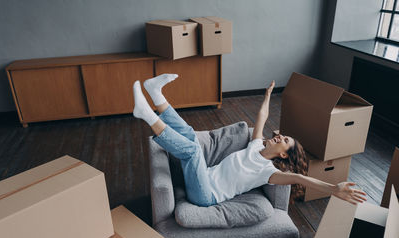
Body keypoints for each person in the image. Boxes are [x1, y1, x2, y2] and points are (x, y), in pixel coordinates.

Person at [133, 74, 367, 207]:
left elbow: (299, 178)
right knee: (191, 135)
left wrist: (333, 188)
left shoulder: (267, 172)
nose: (279, 136)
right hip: (202, 175)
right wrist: (267, 95)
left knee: (193, 151)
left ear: (284, 154)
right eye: (283, 135)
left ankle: (148, 115)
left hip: (205, 196)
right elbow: (262, 118)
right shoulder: (256, 146)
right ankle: (156, 93)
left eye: (285, 140)